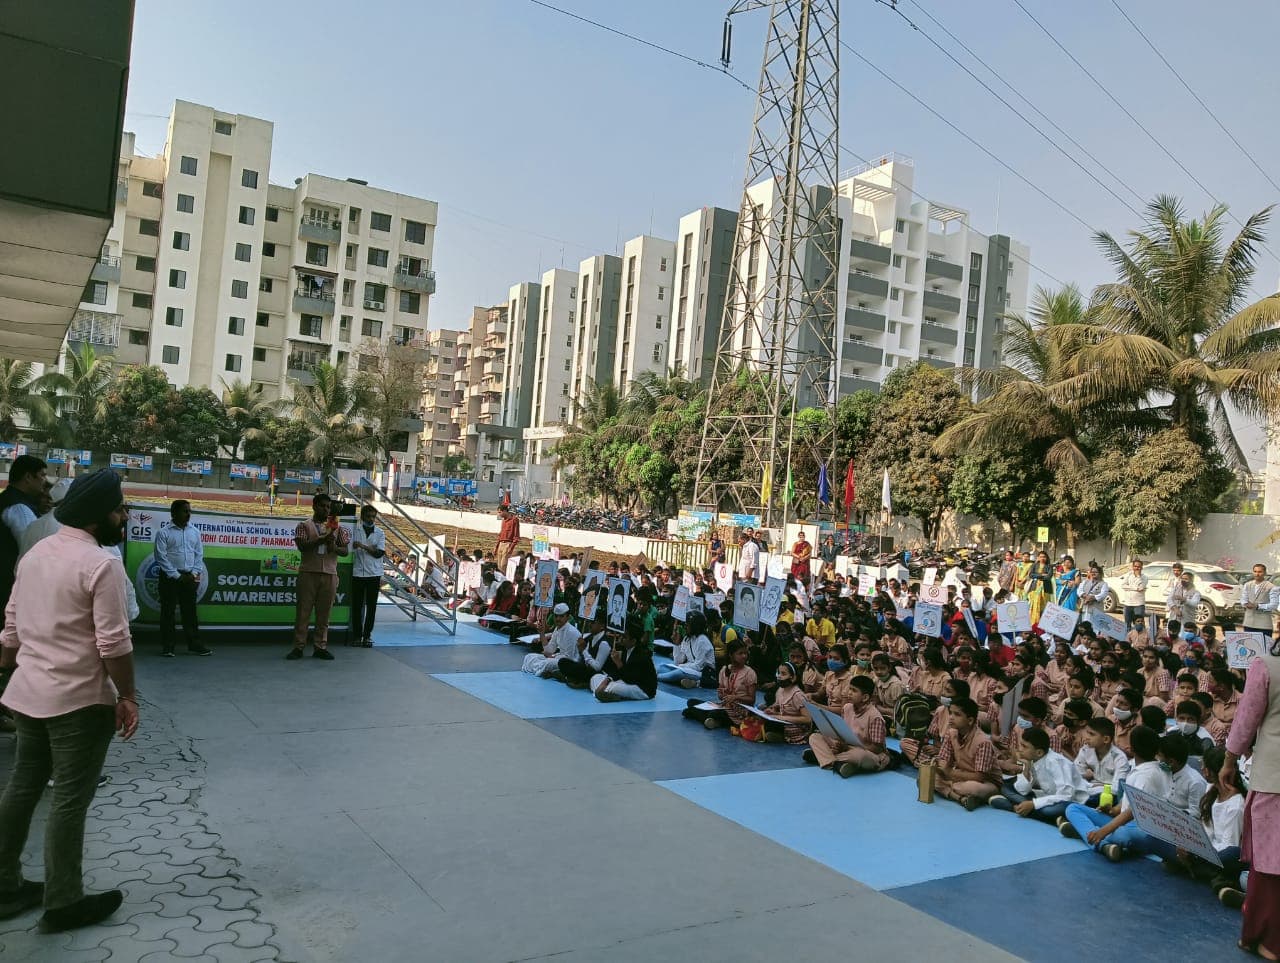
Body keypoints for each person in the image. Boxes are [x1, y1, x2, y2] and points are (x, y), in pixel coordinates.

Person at [0, 469, 137, 932]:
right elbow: (114, 644)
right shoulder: (101, 564)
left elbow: (12, 626)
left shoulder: (38, 552)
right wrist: (129, 696)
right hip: (78, 703)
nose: (125, 514)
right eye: (119, 508)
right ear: (101, 517)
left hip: (27, 695)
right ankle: (63, 901)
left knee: (22, 788)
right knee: (69, 803)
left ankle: (4, 885)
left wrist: (9, 667)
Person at [1221, 635, 1280, 958]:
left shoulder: (1266, 666)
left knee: (1270, 861)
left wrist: (1229, 761)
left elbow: (1245, 722)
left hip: (1273, 776)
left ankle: (1266, 939)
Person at [1062, 725, 1170, 860]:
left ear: (1131, 748)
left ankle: (1096, 840)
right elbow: (1126, 804)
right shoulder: (1139, 767)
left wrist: (1104, 831)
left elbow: (1133, 811)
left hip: (1141, 830)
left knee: (1120, 834)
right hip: (1123, 821)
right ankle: (1096, 838)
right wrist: (1112, 811)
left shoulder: (1147, 775)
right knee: (1073, 808)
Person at [288, 493, 350, 661]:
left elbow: (345, 551)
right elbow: (302, 546)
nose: (326, 509)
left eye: (328, 507)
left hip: (329, 574)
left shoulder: (338, 527)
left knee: (324, 614)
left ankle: (320, 647)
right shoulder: (303, 525)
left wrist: (333, 547)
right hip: (308, 573)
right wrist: (321, 540)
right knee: (303, 613)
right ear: (314, 506)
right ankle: (298, 647)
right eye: (323, 506)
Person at [988, 726, 1090, 823]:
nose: (1020, 749)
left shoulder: (1055, 762)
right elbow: (1023, 790)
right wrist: (1026, 768)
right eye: (1021, 745)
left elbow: (1066, 795)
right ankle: (1030, 810)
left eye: (1024, 746)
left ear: (1039, 753)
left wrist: (1033, 804)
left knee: (1050, 811)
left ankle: (1013, 807)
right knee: (1005, 786)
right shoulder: (1032, 759)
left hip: (1072, 801)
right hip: (1048, 797)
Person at [153, 500, 210, 658]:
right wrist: (177, 576)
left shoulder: (195, 532)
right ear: (173, 514)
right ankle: (168, 646)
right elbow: (160, 557)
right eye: (185, 511)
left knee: (190, 613)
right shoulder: (164, 533)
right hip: (170, 578)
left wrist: (193, 574)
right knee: (168, 613)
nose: (188, 514)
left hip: (189, 577)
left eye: (189, 511)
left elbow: (199, 555)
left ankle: (194, 644)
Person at [804, 675, 891, 776]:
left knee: (860, 756)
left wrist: (847, 748)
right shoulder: (847, 708)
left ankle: (825, 758)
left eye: (854, 691)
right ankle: (837, 763)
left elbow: (877, 748)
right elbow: (843, 732)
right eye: (850, 688)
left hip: (866, 752)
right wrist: (839, 744)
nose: (849, 693)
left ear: (865, 697)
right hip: (846, 747)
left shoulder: (875, 717)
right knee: (815, 737)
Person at [0, 455, 48, 631]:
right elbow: (31, 549)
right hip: (9, 585)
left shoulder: (11, 500)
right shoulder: (19, 508)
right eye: (42, 475)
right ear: (28, 477)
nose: (45, 480)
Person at [934, 697, 1002, 811]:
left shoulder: (982, 742)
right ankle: (961, 799)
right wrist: (939, 767)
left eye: (957, 714)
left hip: (986, 782)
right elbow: (944, 760)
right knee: (927, 776)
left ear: (970, 720)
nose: (951, 717)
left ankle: (952, 791)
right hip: (960, 775)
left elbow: (980, 776)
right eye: (950, 713)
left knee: (972, 788)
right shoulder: (951, 733)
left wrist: (950, 773)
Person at [591, 615, 657, 702]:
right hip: (626, 681)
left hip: (642, 689)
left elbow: (630, 679)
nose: (621, 639)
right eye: (621, 636)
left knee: (614, 687)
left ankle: (603, 692)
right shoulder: (626, 650)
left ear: (633, 641)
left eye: (624, 637)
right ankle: (602, 692)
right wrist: (607, 680)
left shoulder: (642, 656)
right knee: (595, 677)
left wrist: (618, 663)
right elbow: (617, 673)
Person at [349, 505, 386, 647]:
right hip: (358, 573)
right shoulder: (355, 530)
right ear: (362, 516)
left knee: (371, 607)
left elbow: (379, 553)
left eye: (373, 517)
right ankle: (357, 636)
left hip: (374, 574)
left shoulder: (380, 533)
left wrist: (363, 546)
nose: (371, 519)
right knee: (357, 606)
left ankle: (367, 636)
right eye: (368, 516)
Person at [521, 603, 579, 678]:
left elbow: (570, 658)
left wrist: (553, 656)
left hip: (568, 663)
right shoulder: (557, 629)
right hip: (558, 657)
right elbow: (549, 650)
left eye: (561, 616)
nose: (558, 619)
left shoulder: (571, 632)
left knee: (548, 663)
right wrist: (542, 633)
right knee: (529, 657)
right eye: (556, 616)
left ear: (567, 617)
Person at [559, 610, 610, 689]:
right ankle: (576, 678)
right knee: (562, 662)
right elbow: (582, 659)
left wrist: (583, 651)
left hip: (598, 674)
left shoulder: (604, 643)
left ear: (602, 626)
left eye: (593, 622)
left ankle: (580, 680)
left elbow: (597, 667)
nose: (590, 624)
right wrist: (580, 651)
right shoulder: (590, 637)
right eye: (590, 622)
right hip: (586, 667)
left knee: (579, 669)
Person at [1240, 563, 1279, 635]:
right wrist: (1245, 604)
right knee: (1249, 645)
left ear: (1265, 573)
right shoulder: (1247, 585)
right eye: (1255, 571)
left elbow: (1274, 605)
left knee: (1264, 645)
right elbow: (1243, 599)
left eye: (1259, 572)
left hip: (1264, 625)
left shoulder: (1272, 587)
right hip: (1248, 623)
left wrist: (1258, 606)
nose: (1257, 574)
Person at [1119, 559, 1149, 633]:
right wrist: (1135, 588)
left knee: (1139, 624)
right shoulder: (1128, 575)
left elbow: (1141, 587)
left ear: (1142, 567)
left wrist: (1138, 576)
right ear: (1132, 567)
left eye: (1139, 566)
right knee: (1127, 625)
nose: (1137, 568)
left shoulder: (1144, 577)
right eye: (1135, 566)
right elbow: (1123, 586)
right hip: (1128, 604)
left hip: (1139, 604)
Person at [495, 506, 520, 572]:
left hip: (508, 544)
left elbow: (516, 535)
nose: (499, 514)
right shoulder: (503, 520)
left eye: (500, 512)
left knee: (503, 565)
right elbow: (501, 534)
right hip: (501, 543)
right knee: (499, 566)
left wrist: (511, 547)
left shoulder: (514, 520)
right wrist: (497, 546)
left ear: (505, 511)